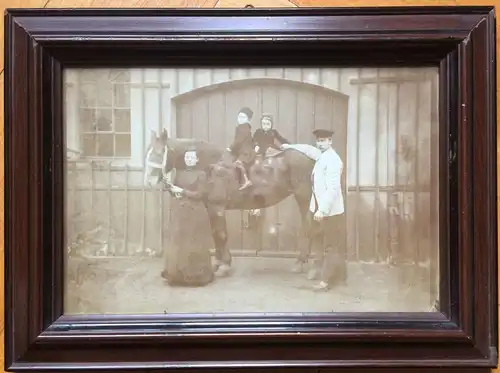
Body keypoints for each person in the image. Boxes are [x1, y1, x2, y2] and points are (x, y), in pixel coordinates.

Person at [281, 129, 346, 291]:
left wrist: (322, 210)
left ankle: (325, 282)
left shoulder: (333, 160)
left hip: (330, 211)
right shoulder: (320, 155)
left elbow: (333, 188)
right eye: (319, 141)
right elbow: (307, 149)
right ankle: (340, 275)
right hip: (317, 207)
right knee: (319, 238)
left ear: (330, 141)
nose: (320, 144)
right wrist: (290, 146)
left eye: (324, 141)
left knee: (331, 244)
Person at [164, 149, 214, 286]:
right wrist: (170, 187)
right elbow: (174, 192)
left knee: (195, 242)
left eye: (192, 157)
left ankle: (196, 275)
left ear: (197, 159)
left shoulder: (202, 174)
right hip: (181, 211)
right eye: (187, 157)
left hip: (196, 212)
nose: (189, 159)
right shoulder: (179, 174)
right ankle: (178, 275)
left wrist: (182, 191)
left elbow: (200, 194)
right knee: (180, 242)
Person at [226, 107, 255, 191]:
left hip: (245, 151)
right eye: (239, 117)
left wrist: (230, 147)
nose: (240, 119)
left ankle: (246, 180)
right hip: (241, 150)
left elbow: (239, 140)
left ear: (248, 120)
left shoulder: (244, 127)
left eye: (243, 117)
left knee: (239, 163)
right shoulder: (241, 127)